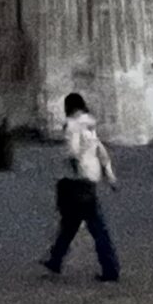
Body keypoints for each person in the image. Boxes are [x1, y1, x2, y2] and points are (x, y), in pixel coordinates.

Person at [41, 90, 120, 281]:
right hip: (91, 178)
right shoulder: (90, 124)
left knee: (95, 227)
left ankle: (110, 269)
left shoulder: (72, 126)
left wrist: (70, 167)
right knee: (70, 223)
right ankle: (55, 259)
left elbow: (72, 152)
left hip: (78, 181)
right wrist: (110, 176)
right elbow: (101, 151)